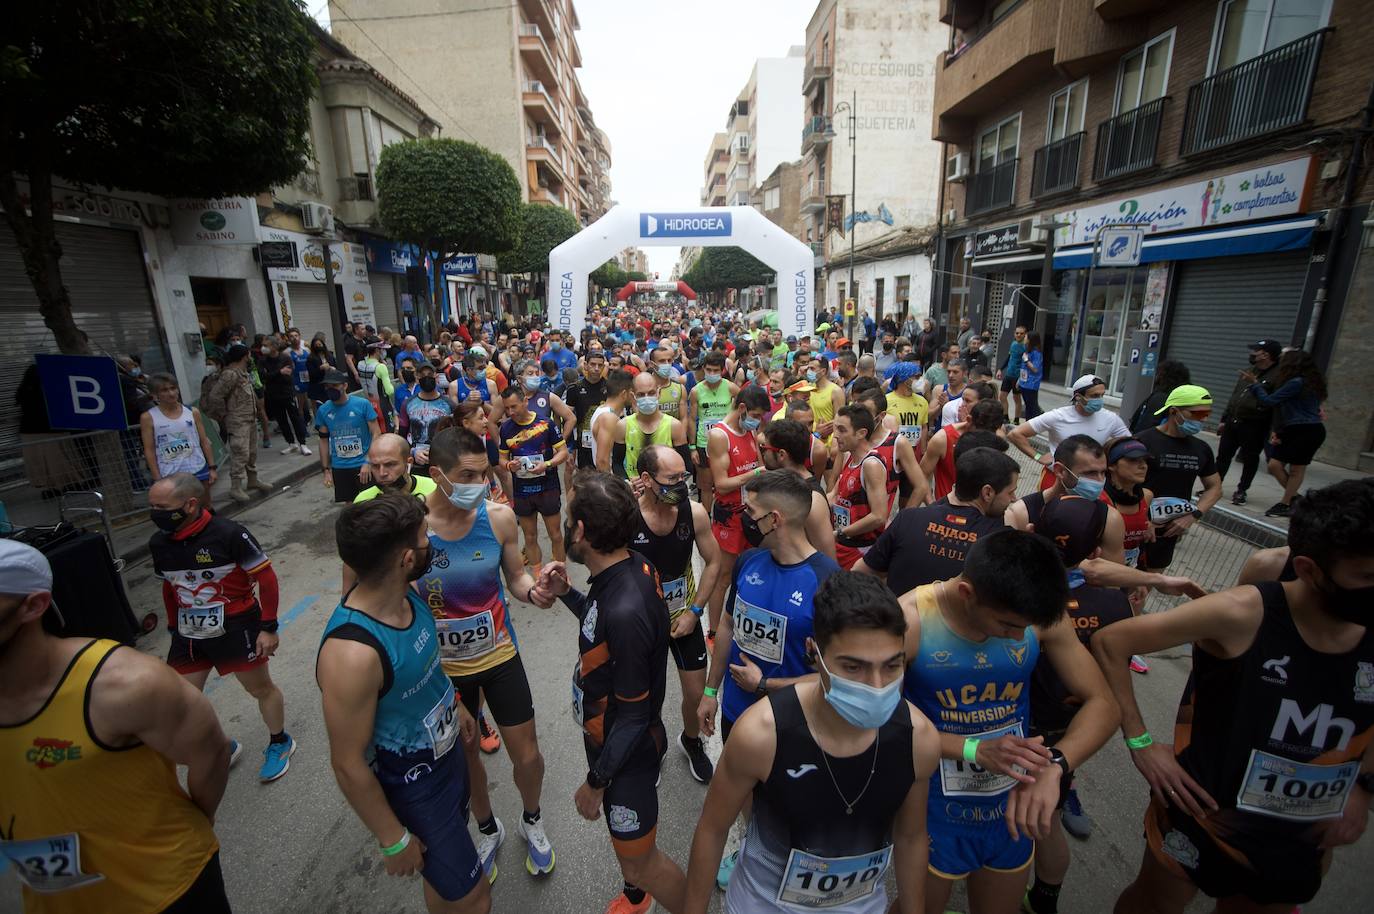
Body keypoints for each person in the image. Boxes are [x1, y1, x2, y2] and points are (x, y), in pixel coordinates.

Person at [1092, 478, 1374, 914]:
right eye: (1368, 576)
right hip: (1204, 811)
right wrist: (1141, 744)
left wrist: (1363, 789)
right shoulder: (1240, 612)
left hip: (1305, 829)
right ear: (1309, 570)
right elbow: (1111, 644)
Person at [685, 571, 938, 914]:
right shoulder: (760, 734)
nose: (876, 685)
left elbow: (910, 837)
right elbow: (713, 828)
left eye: (892, 666)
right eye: (853, 667)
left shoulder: (918, 738)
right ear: (813, 652)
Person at [0, 539, 231, 913]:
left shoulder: (128, 683)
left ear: (34, 605)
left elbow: (212, 753)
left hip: (167, 891)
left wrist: (197, 823)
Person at [900, 530, 1119, 914]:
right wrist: (973, 749)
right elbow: (877, 720)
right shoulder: (910, 621)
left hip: (1010, 801)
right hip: (932, 805)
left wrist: (1056, 765)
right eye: (1007, 625)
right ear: (968, 593)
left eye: (1025, 628)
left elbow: (1103, 703)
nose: (1018, 638)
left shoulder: (1034, 618)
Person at [317, 495, 492, 914]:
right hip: (414, 788)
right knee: (475, 898)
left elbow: (427, 668)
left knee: (446, 885)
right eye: (424, 538)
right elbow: (347, 762)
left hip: (448, 760)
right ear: (406, 558)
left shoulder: (407, 594)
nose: (432, 541)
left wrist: (456, 703)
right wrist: (392, 838)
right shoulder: (351, 655)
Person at [534, 471, 688, 914]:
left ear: (580, 531)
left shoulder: (626, 604)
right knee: (631, 855)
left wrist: (595, 783)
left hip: (626, 756)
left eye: (568, 518)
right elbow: (600, 624)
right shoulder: (628, 567)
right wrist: (568, 595)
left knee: (644, 863)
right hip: (609, 741)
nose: (564, 525)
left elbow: (637, 717)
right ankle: (637, 899)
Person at [422, 428, 557, 882]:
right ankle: (486, 827)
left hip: (499, 657)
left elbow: (515, 578)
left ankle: (532, 819)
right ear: (436, 474)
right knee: (466, 760)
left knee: (529, 756)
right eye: (466, 475)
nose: (478, 485)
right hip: (443, 673)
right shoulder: (413, 530)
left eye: (483, 474)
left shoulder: (498, 518)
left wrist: (533, 591)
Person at [698, 469, 843, 889]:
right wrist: (710, 690)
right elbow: (726, 627)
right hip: (738, 714)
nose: (743, 517)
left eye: (751, 511)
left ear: (775, 519)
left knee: (792, 803)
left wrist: (766, 686)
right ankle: (751, 842)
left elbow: (835, 679)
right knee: (747, 792)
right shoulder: (748, 561)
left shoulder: (827, 581)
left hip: (797, 724)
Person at [1023, 495, 1136, 914]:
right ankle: (1044, 901)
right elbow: (1113, 679)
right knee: (1045, 818)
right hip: (1071, 730)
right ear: (1094, 550)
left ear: (1036, 531)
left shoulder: (1020, 590)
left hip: (1014, 723)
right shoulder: (1115, 601)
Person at [147, 473, 295, 781]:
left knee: (260, 688)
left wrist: (268, 627)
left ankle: (280, 741)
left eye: (161, 506)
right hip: (189, 633)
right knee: (180, 702)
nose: (154, 512)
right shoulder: (159, 542)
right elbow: (169, 587)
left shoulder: (229, 534)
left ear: (189, 505)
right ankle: (220, 746)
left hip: (237, 626)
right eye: (152, 505)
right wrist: (174, 626)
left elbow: (266, 579)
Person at [631, 445, 724, 785]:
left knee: (696, 695)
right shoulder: (628, 515)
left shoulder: (694, 512)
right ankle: (653, 748)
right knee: (645, 697)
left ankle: (691, 740)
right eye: (671, 479)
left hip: (684, 618)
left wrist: (695, 611)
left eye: (683, 477)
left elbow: (714, 562)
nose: (681, 485)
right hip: (642, 625)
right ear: (646, 479)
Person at [856, 446, 1016, 596]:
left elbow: (860, 572)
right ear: (987, 493)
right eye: (1011, 492)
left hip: (897, 620)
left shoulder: (908, 518)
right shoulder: (1002, 540)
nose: (1014, 499)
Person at [704, 386, 773, 646]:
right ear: (742, 408)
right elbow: (721, 484)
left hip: (752, 514)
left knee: (754, 571)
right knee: (723, 576)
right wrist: (756, 474)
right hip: (729, 516)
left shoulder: (750, 430)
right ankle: (712, 632)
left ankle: (744, 626)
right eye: (755, 414)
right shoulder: (720, 436)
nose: (758, 420)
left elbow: (758, 465)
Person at [1136, 385, 1221, 572]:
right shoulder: (1143, 441)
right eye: (1197, 414)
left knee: (1146, 586)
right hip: (1135, 527)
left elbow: (1214, 488)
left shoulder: (1202, 449)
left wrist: (1193, 515)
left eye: (1207, 414)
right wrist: (1140, 519)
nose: (1204, 420)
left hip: (1169, 532)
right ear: (1175, 411)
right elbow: (1120, 485)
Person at [1010, 374, 1132, 490]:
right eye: (1094, 396)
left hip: (1093, 482)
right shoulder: (1058, 416)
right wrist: (1038, 456)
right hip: (1057, 478)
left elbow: (1130, 445)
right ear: (1078, 397)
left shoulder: (1111, 418)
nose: (1099, 400)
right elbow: (1015, 434)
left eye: (1102, 395)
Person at [1248, 348, 1327, 518]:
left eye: (1284, 359)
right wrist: (1278, 430)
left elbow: (1269, 401)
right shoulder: (1310, 381)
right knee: (1277, 466)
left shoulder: (1296, 382)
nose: (1280, 362)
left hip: (1304, 430)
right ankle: (1295, 499)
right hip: (1302, 429)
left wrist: (1255, 384)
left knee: (1292, 468)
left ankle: (1286, 503)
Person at [496, 384, 568, 572]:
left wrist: (547, 464)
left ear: (525, 402)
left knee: (556, 535)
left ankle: (559, 573)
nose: (510, 412)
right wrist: (508, 466)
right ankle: (538, 576)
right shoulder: (505, 429)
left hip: (548, 486)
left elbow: (563, 453)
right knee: (529, 536)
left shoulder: (546, 423)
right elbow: (502, 458)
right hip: (522, 490)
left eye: (514, 406)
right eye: (506, 408)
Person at [757, 417, 838, 559]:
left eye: (765, 448)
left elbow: (827, 558)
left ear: (781, 454)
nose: (763, 453)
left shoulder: (812, 500)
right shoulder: (784, 484)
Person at [1215, 339, 1281, 506]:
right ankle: (1214, 486)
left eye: (1256, 351)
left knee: (1250, 458)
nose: (1252, 354)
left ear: (1266, 354)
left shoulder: (1278, 376)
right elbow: (1235, 396)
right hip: (1233, 421)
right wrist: (1224, 419)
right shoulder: (1249, 371)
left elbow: (1274, 403)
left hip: (1254, 424)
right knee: (1223, 455)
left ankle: (1242, 490)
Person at [140, 372, 217, 506]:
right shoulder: (148, 417)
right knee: (182, 509)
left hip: (197, 468)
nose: (171, 393)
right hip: (170, 473)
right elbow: (149, 450)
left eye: (173, 388)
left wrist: (212, 468)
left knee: (205, 505)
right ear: (155, 395)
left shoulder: (192, 412)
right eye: (164, 390)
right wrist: (157, 477)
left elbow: (204, 441)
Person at [208, 343, 272, 504]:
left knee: (251, 452)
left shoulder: (242, 373)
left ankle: (252, 480)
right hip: (237, 421)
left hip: (249, 419)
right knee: (240, 453)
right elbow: (215, 396)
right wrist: (223, 415)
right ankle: (235, 487)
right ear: (244, 356)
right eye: (249, 355)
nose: (250, 358)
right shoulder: (230, 374)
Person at [828, 405, 890, 570]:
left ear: (861, 433)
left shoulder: (871, 464)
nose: (835, 435)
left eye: (842, 430)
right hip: (843, 543)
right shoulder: (849, 456)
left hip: (861, 549)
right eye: (836, 429)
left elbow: (879, 516)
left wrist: (840, 533)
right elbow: (834, 495)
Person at [920, 395, 1004, 502]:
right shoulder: (943, 438)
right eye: (980, 432)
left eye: (989, 434)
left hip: (980, 514)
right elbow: (921, 476)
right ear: (969, 420)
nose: (985, 438)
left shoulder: (997, 440)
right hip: (947, 510)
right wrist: (932, 505)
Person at [315, 369, 380, 503]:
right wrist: (326, 470)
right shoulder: (323, 410)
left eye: (334, 386)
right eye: (327, 387)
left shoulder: (362, 404)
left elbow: (376, 433)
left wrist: (368, 462)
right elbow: (323, 440)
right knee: (351, 506)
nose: (330, 389)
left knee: (372, 505)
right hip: (340, 467)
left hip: (363, 464)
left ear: (345, 386)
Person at [615, 371, 688, 481]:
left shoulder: (674, 426)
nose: (647, 398)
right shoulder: (623, 426)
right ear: (633, 396)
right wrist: (626, 482)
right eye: (641, 394)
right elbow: (617, 463)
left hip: (666, 490)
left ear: (659, 393)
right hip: (635, 489)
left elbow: (685, 463)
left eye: (651, 393)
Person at [261, 337, 312, 454]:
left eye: (266, 345)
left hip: (287, 393)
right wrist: (279, 372)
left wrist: (272, 375)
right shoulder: (263, 360)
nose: (264, 348)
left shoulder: (285, 358)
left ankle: (302, 443)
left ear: (274, 346)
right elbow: (263, 376)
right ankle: (291, 443)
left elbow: (287, 374)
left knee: (295, 418)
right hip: (273, 394)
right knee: (281, 420)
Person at [354, 433, 437, 502]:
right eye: (375, 466)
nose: (382, 473)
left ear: (409, 462)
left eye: (389, 465)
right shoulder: (363, 501)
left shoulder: (436, 490)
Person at [404, 363, 454, 467]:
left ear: (436, 377)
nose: (427, 378)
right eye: (423, 375)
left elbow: (455, 435)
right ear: (417, 379)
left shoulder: (449, 404)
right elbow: (402, 435)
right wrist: (413, 452)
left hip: (442, 460)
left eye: (430, 375)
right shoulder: (408, 403)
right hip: (417, 461)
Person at [1128, 360, 1191, 434]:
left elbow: (1147, 424)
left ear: (1163, 377)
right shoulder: (1180, 398)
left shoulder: (1160, 398)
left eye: (1158, 374)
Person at [358, 337, 396, 432]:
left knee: (374, 433)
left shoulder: (360, 364)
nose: (383, 352)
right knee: (387, 433)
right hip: (382, 405)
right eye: (382, 349)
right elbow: (389, 391)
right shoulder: (380, 367)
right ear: (376, 350)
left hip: (368, 404)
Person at [997, 325, 1026, 423]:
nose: (1019, 335)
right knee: (1002, 396)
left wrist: (1020, 378)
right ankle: (1006, 417)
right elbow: (1009, 357)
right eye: (1017, 333)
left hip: (1017, 376)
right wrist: (1000, 369)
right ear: (1014, 334)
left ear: (1025, 335)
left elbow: (1025, 365)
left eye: (1021, 333)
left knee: (1016, 398)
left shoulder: (1025, 347)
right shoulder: (1013, 344)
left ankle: (1016, 419)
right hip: (1008, 374)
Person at [285, 327, 314, 424]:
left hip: (308, 377)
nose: (294, 338)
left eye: (296, 336)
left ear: (299, 337)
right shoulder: (287, 353)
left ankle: (314, 421)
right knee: (300, 403)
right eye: (291, 336)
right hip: (297, 380)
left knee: (312, 401)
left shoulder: (306, 350)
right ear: (288, 339)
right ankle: (302, 423)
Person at [1016, 331, 1044, 421]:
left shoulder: (1036, 353)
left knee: (1031, 406)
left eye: (1026, 337)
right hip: (1024, 382)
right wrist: (1019, 380)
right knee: (1028, 405)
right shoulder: (1027, 349)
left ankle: (1034, 422)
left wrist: (1026, 360)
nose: (1024, 338)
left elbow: (1035, 369)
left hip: (1031, 384)